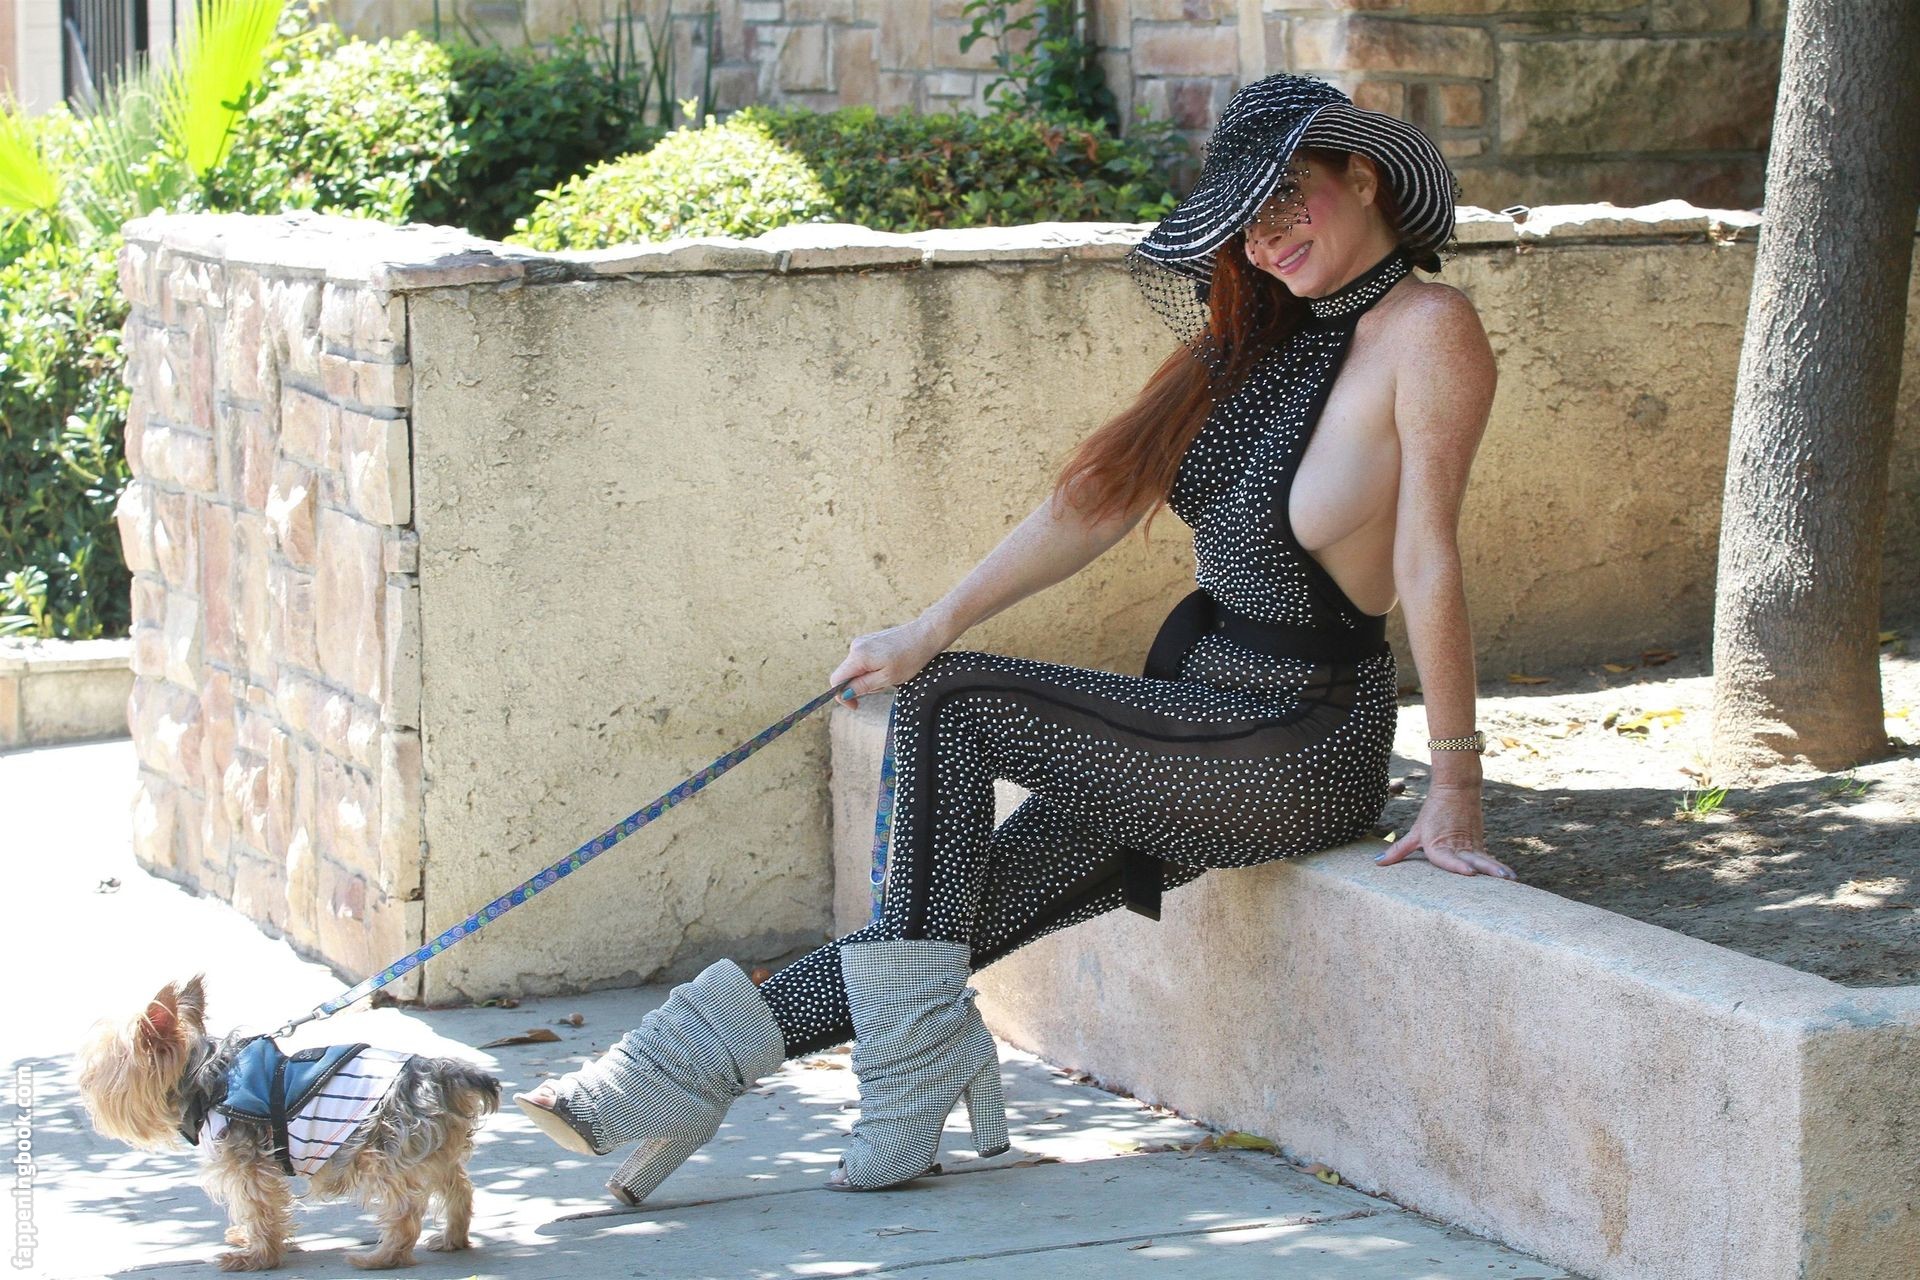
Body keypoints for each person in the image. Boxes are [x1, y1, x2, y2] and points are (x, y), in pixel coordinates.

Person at [513, 71, 1517, 1206]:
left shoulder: (1430, 331)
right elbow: (1092, 503)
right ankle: (666, 1078)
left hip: (1300, 739)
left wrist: (1455, 786)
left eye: (1287, 198)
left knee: (957, 706)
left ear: (1364, 176)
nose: (1266, 237)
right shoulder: (1252, 341)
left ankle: (902, 1077)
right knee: (945, 922)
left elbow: (1430, 560)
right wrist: (924, 625)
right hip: (1198, 715)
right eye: (1245, 219)